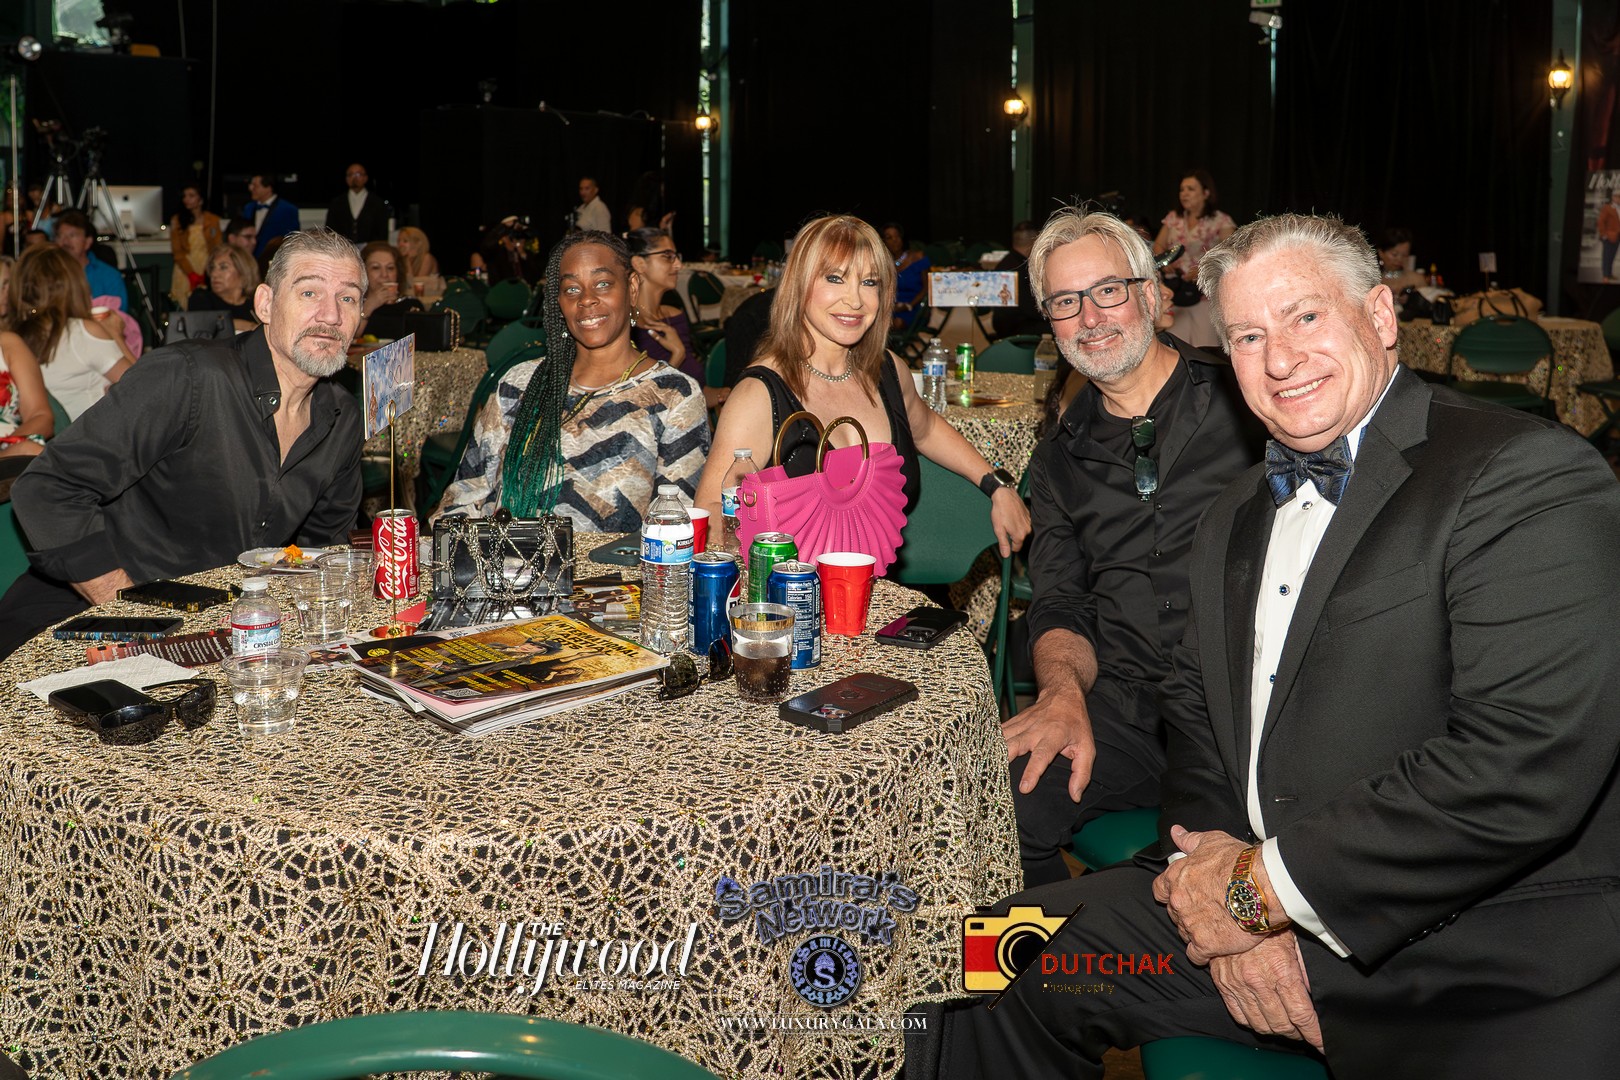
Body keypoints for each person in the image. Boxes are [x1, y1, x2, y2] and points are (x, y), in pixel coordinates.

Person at [906, 213, 1620, 1079]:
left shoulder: (1522, 475)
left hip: (1458, 944)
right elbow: (1198, 716)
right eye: (1248, 335)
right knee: (984, 960)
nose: (1279, 358)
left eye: (1305, 316)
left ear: (1381, 316)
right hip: (1241, 870)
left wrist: (1257, 896)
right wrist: (1217, 882)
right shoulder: (1238, 513)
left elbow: (1520, 767)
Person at [1008, 206, 1264, 888]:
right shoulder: (1059, 459)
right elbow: (1061, 601)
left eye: (1107, 290)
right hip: (1125, 705)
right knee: (997, 807)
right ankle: (1049, 953)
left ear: (1150, 295)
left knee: (1194, 882)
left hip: (1246, 710)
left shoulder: (1248, 401)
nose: (1090, 317)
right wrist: (1062, 694)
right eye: (1066, 301)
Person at [0, 227, 367, 659]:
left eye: (348, 298)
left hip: (222, 633)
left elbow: (320, 550)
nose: (331, 315)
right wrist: (131, 616)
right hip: (86, 617)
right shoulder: (188, 377)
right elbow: (46, 490)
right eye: (309, 293)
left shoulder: (342, 417)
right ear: (265, 304)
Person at [693, 215, 1029, 554]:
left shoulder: (887, 371)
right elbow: (711, 513)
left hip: (881, 584)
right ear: (798, 285)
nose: (855, 300)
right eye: (835, 278)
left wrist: (998, 486)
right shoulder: (760, 394)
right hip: (787, 586)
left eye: (869, 282)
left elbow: (926, 429)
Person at [434, 230, 709, 533]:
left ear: (632, 288)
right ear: (560, 303)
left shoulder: (674, 396)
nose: (587, 299)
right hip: (500, 560)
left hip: (619, 566)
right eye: (572, 289)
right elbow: (462, 497)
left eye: (602, 284)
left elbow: (676, 533)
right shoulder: (519, 384)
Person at [9, 245, 136, 421]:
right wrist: (115, 334)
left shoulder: (11, 336)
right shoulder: (81, 332)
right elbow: (141, 386)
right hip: (89, 433)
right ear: (73, 284)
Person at [625, 227, 713, 399]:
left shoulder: (674, 316)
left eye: (676, 256)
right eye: (668, 256)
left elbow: (696, 389)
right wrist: (677, 355)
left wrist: (724, 394)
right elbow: (641, 401)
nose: (678, 265)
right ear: (639, 263)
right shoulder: (628, 325)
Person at [1152, 169, 1235, 349]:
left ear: (1206, 193)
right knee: (1173, 345)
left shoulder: (1220, 220)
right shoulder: (1173, 218)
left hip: (1203, 294)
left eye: (1190, 189)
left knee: (1205, 346)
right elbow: (1157, 246)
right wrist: (1165, 262)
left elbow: (1230, 253)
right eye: (1182, 189)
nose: (1184, 194)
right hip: (1176, 292)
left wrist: (1203, 269)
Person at [53, 209, 127, 308]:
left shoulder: (108, 275)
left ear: (87, 242)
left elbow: (118, 314)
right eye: (60, 236)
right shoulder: (49, 273)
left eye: (72, 235)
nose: (65, 242)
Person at [0, 325, 52, 459]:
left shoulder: (7, 344)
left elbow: (40, 415)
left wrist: (9, 445)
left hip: (8, 449)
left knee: (30, 450)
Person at [167, 184, 223, 307]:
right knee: (185, 303)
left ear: (201, 199)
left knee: (208, 302)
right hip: (185, 268)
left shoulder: (213, 220)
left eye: (191, 196)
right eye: (184, 196)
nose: (186, 199)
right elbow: (177, 251)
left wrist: (207, 271)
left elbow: (217, 247)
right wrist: (191, 274)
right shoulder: (177, 220)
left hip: (206, 265)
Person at [990, 220, 1046, 340]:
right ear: (1035, 242)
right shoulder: (1019, 269)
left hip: (1007, 325)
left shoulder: (1005, 264)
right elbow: (1031, 309)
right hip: (1017, 329)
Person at [186, 244, 261, 331]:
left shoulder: (256, 305)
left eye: (223, 267)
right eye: (212, 268)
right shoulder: (201, 298)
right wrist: (250, 326)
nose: (214, 274)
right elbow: (204, 323)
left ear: (243, 272)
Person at [356, 241, 419, 336]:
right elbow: (349, 339)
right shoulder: (354, 304)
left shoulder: (412, 305)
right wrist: (368, 307)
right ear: (363, 272)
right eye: (376, 268)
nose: (384, 275)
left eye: (390, 268)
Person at [881, 222, 930, 330]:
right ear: (883, 242)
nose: (895, 240)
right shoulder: (882, 264)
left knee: (894, 324)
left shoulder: (918, 257)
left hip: (915, 307)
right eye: (889, 237)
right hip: (890, 309)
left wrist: (909, 305)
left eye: (897, 236)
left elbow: (927, 288)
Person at [325, 163, 390, 244]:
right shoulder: (336, 203)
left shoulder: (377, 203)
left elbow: (382, 232)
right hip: (343, 248)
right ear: (346, 179)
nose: (354, 178)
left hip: (370, 249)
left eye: (358, 174)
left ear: (365, 178)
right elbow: (330, 230)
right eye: (350, 174)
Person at [243, 173, 300, 258]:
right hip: (249, 258)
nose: (251, 188)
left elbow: (291, 239)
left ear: (268, 188)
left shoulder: (287, 209)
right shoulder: (248, 208)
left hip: (274, 258)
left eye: (255, 186)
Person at [1373, 226, 1427, 293]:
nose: (1399, 259)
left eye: (1405, 255)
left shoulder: (1416, 279)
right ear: (1381, 253)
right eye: (1394, 254)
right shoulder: (1372, 281)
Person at [1598, 188, 1620, 282]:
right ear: (1613, 197)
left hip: (1617, 236)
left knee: (1612, 256)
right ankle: (1605, 276)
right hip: (1608, 236)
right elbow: (1601, 221)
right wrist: (1603, 235)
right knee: (1606, 257)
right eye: (1617, 196)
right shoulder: (1607, 208)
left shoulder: (1619, 208)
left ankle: (1610, 274)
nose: (1618, 199)